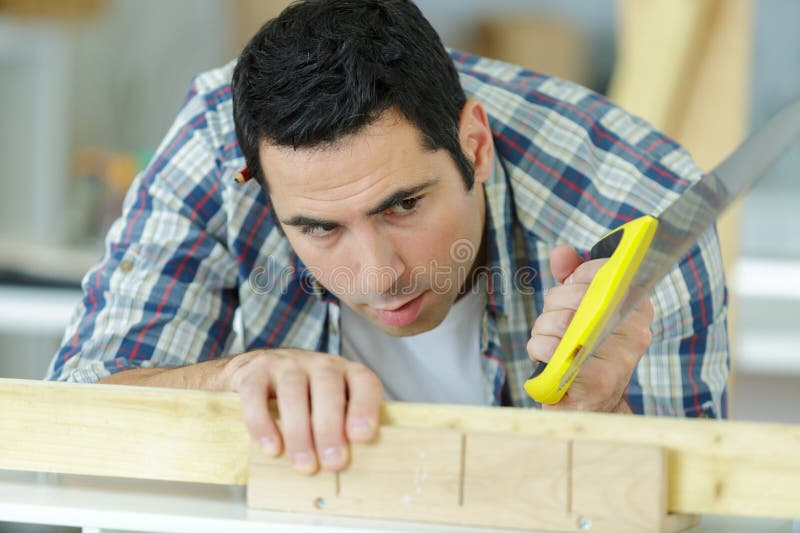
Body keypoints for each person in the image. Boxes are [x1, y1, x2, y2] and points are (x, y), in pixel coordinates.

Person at [47, 0, 729, 475]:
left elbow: (687, 504)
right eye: (317, 227)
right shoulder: (212, 148)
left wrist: (604, 419)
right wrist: (227, 379)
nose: (376, 275)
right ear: (257, 184)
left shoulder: (641, 204)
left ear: (475, 144)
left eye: (402, 206)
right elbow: (71, 421)